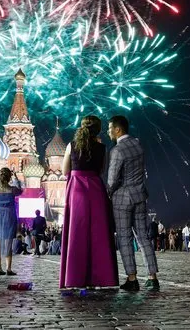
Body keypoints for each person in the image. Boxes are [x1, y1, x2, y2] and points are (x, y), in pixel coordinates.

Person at [59, 115, 118, 290]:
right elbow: (102, 170)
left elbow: (64, 171)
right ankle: (99, 278)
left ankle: (75, 278)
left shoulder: (71, 145)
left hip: (76, 188)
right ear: (98, 130)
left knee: (76, 232)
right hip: (96, 188)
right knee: (98, 234)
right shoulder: (102, 148)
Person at [107, 115, 158, 291]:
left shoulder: (117, 150)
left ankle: (132, 278)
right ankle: (152, 277)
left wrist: (108, 193)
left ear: (117, 130)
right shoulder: (138, 145)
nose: (108, 132)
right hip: (140, 195)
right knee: (143, 237)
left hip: (122, 199)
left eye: (110, 128)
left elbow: (112, 180)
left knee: (124, 238)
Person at [0, 168, 23, 275]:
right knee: (8, 242)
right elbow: (20, 190)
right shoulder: (12, 190)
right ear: (9, 178)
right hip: (9, 216)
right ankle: (8, 269)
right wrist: (16, 178)